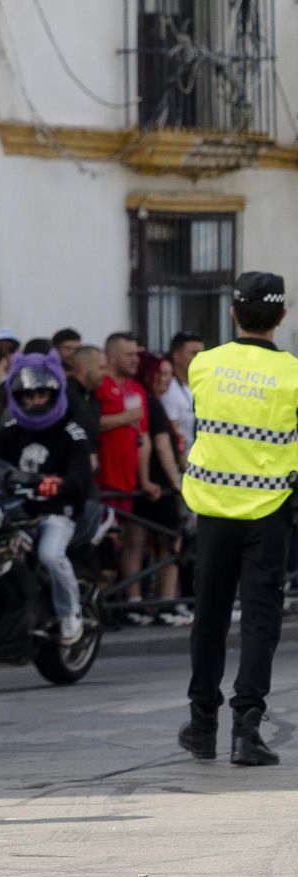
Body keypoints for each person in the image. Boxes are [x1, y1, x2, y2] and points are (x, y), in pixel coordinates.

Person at [178, 271, 295, 768]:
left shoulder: (203, 365)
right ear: (283, 316)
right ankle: (246, 729)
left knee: (209, 616)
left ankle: (202, 723)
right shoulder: (292, 374)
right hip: (268, 511)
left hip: (212, 509)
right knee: (261, 621)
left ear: (233, 313)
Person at [0, 354, 93, 645]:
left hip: (56, 513)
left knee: (50, 555)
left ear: (54, 393)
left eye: (41, 393)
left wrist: (58, 485)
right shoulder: (9, 430)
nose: (35, 400)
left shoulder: (72, 432)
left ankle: (70, 614)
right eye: (28, 394)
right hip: (13, 511)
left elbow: (81, 479)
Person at [97, 331, 159, 623]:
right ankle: (100, 607)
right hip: (104, 481)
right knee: (104, 545)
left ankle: (131, 603)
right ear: (112, 357)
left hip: (129, 482)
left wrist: (144, 479)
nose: (136, 360)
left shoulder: (137, 389)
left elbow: (143, 438)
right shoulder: (101, 385)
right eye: (129, 355)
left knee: (133, 543)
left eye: (137, 354)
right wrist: (124, 418)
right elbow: (91, 424)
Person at [138, 355, 190, 626]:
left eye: (169, 374)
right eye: (160, 373)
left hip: (160, 482)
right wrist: (177, 483)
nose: (165, 379)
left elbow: (174, 443)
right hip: (161, 483)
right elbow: (161, 445)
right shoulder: (151, 403)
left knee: (163, 544)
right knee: (170, 543)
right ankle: (165, 603)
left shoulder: (154, 402)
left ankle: (163, 601)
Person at [162, 330, 204, 454]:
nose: (199, 358)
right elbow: (173, 435)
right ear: (176, 355)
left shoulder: (202, 384)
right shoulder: (168, 388)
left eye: (202, 354)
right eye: (194, 353)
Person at [64, 345, 105, 447]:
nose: (105, 373)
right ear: (83, 367)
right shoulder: (66, 394)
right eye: (101, 368)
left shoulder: (92, 395)